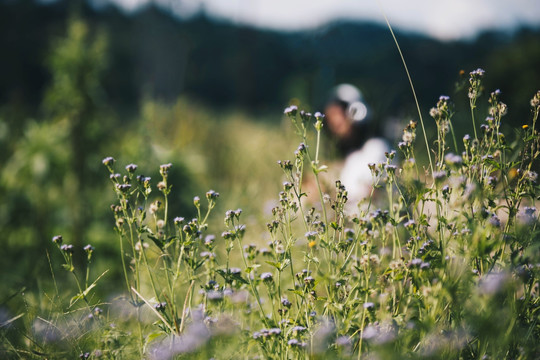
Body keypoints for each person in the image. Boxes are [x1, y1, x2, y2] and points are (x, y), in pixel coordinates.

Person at [324, 84, 390, 213]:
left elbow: (371, 194)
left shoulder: (377, 148)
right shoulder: (351, 157)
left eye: (338, 117)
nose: (334, 125)